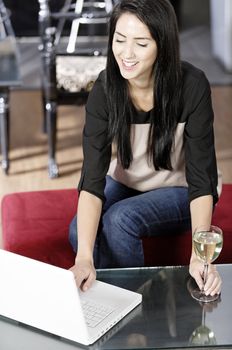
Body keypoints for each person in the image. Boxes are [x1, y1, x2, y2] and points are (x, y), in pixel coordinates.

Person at [69, 0, 222, 297]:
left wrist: (199, 256)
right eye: (119, 40)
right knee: (79, 230)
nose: (126, 53)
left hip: (182, 187)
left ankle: (136, 314)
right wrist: (83, 259)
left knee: (120, 219)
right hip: (130, 181)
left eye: (140, 43)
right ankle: (107, 305)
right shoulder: (105, 89)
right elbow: (92, 180)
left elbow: (201, 180)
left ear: (162, 45)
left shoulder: (192, 85)